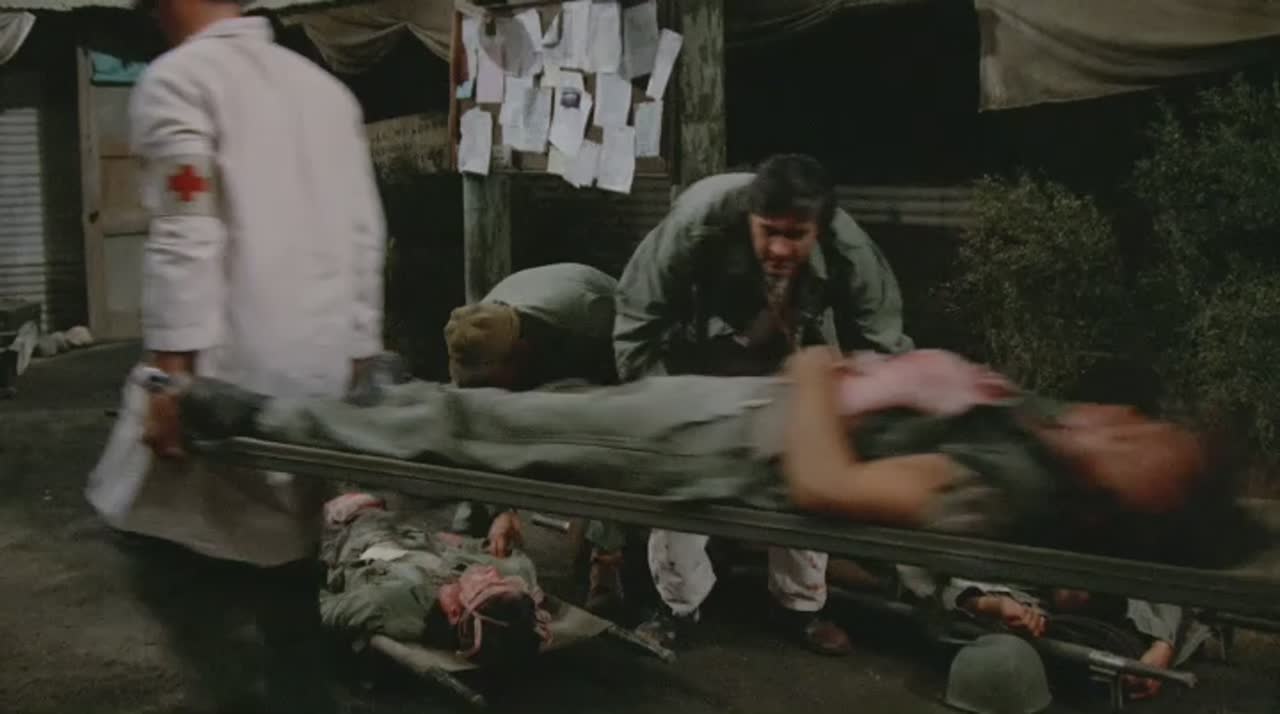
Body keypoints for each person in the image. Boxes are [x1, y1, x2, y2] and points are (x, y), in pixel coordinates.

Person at [163, 347, 1222, 568]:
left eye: (1130, 443)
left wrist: (816, 369)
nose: (1113, 417)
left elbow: (825, 483)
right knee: (520, 417)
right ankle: (387, 410)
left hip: (724, 446)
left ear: (1115, 507)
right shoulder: (1031, 438)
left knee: (489, 440)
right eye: (1133, 416)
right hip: (733, 413)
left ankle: (251, 417)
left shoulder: (995, 493)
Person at [84, 2, 386, 712]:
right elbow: (365, 236)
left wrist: (171, 382)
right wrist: (357, 364)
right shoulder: (325, 91)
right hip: (313, 387)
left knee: (167, 551)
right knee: (284, 587)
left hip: (226, 385)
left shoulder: (180, 81)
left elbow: (186, 232)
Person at [613, 153, 913, 654]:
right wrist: (661, 410)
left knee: (806, 470)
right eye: (768, 231)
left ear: (819, 230)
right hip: (698, 355)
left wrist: (858, 420)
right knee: (682, 477)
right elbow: (637, 322)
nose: (779, 248)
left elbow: (882, 344)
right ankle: (676, 606)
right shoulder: (695, 225)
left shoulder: (851, 251)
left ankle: (800, 605)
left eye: (795, 235)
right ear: (749, 218)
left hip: (791, 354)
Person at [441, 262, 629, 611]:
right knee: (482, 421)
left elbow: (619, 423)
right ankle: (470, 538)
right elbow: (479, 426)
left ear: (520, 355)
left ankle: (606, 560)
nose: (485, 390)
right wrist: (502, 508)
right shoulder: (475, 334)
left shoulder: (587, 324)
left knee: (605, 443)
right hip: (534, 306)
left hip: (607, 334)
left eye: (491, 381)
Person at [321, 494, 550, 666]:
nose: (492, 573)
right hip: (413, 534)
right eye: (504, 581)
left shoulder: (387, 603)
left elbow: (315, 607)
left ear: (453, 612)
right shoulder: (512, 577)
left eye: (487, 584)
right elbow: (515, 565)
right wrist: (501, 517)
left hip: (350, 528)